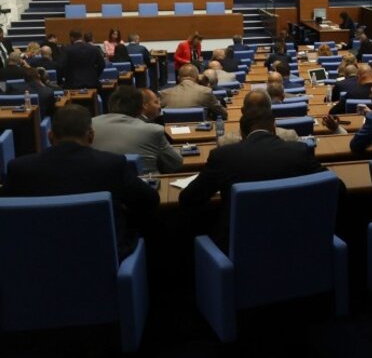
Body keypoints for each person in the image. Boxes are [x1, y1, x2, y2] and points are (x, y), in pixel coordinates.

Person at [5, 104, 159, 260]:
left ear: (50, 136)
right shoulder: (111, 164)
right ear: (91, 136)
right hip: (102, 259)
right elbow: (150, 200)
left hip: (35, 260)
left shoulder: (19, 169)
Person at [179, 104, 331, 242]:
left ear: (242, 133)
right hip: (298, 241)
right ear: (274, 128)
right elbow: (336, 186)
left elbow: (188, 199)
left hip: (238, 247)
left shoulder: (223, 156)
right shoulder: (299, 150)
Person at [92, 85, 184, 174]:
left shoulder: (91, 124)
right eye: (156, 102)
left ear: (109, 104)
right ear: (141, 107)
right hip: (147, 185)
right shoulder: (153, 130)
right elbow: (177, 163)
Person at [161, 64, 228, 121]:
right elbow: (223, 114)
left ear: (178, 78)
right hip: (201, 133)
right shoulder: (205, 91)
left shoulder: (164, 94)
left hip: (171, 134)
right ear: (197, 77)